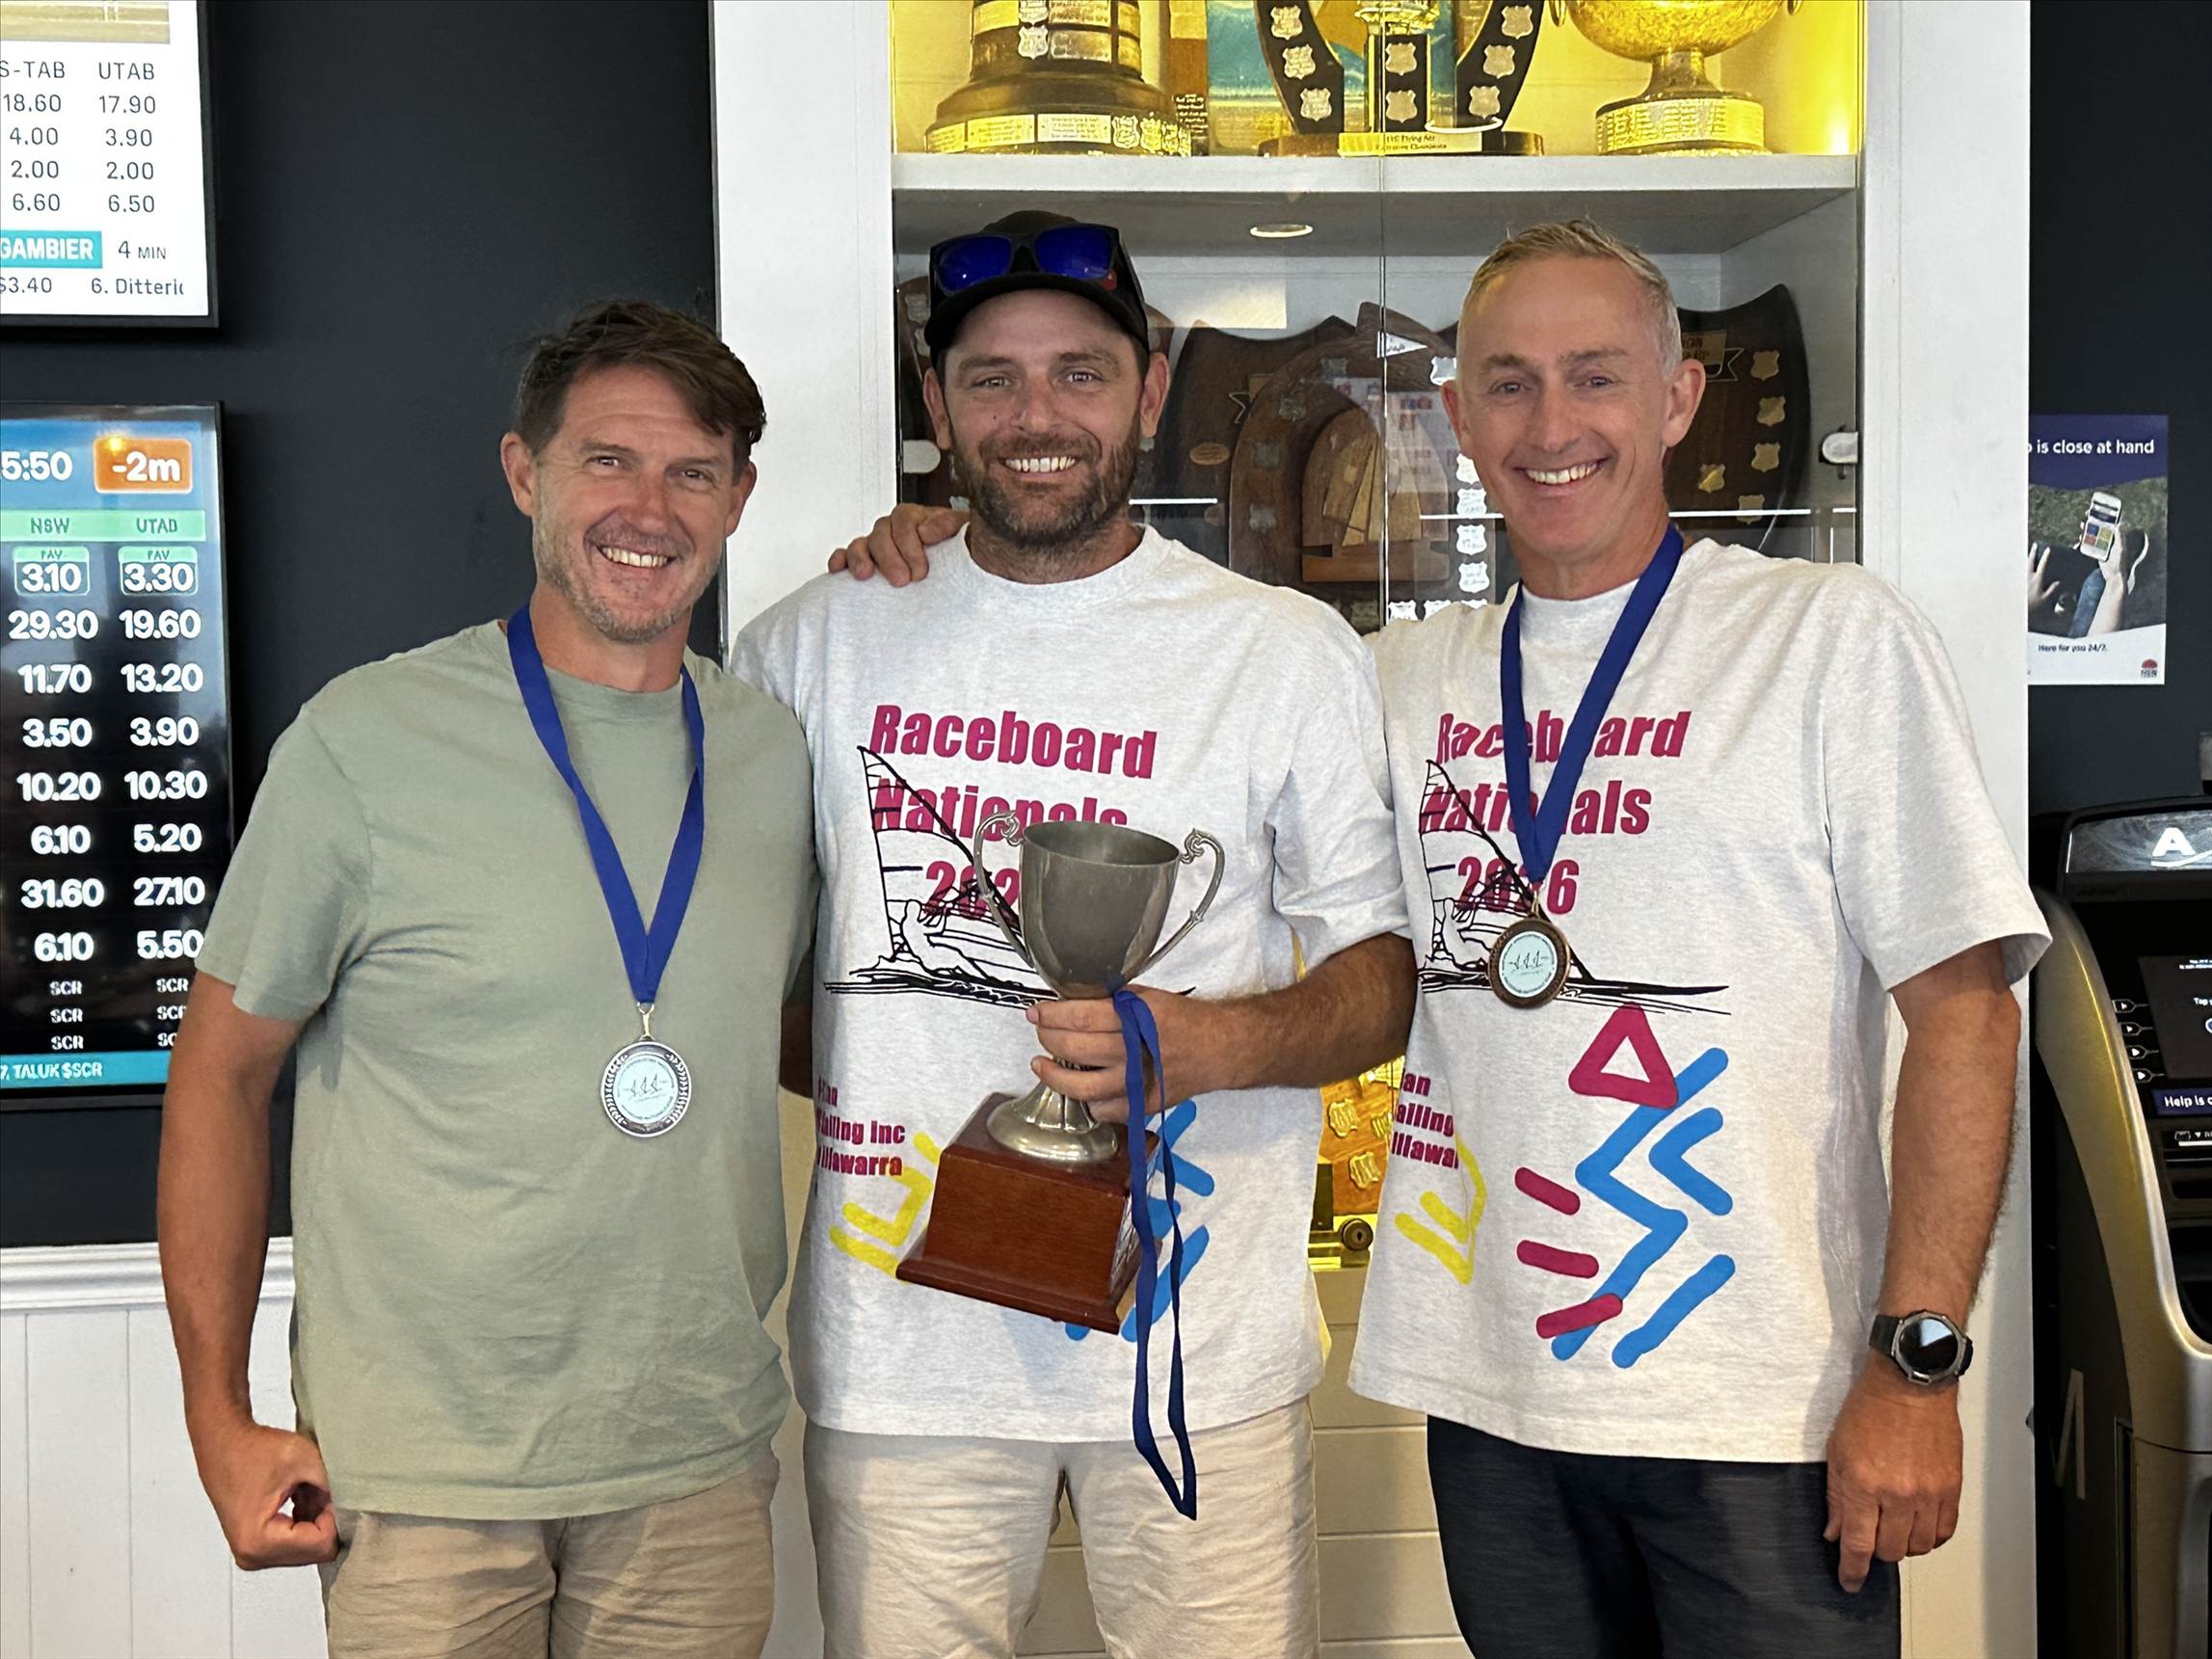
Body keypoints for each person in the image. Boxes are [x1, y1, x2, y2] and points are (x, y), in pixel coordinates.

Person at [839, 219, 2049, 1659]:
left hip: (1763, 1404)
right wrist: (959, 551)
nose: (1552, 426)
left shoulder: (1829, 639)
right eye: (1510, 384)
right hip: (1493, 1396)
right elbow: (1136, 668)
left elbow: (1967, 1012)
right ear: (1459, 416)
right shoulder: (1394, 675)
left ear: (1677, 398)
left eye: (1596, 377)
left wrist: (1917, 1364)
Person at [731, 210, 1412, 1659]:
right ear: (937, 403)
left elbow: (1380, 982)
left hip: (1196, 1351)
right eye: (992, 378)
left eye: (1080, 374)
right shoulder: (812, 644)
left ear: (1150, 390)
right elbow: (750, 978)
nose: (1036, 416)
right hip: (903, 1351)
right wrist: (882, 1059)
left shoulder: (1282, 650)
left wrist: (1209, 1044)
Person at [158, 300, 814, 1657]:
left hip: (692, 1456)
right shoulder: (362, 742)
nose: (649, 509)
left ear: (739, 498)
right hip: (423, 1483)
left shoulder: (773, 755)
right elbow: (220, 1071)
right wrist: (218, 1418)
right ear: (526, 472)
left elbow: (794, 1029)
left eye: (693, 472)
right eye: (607, 461)